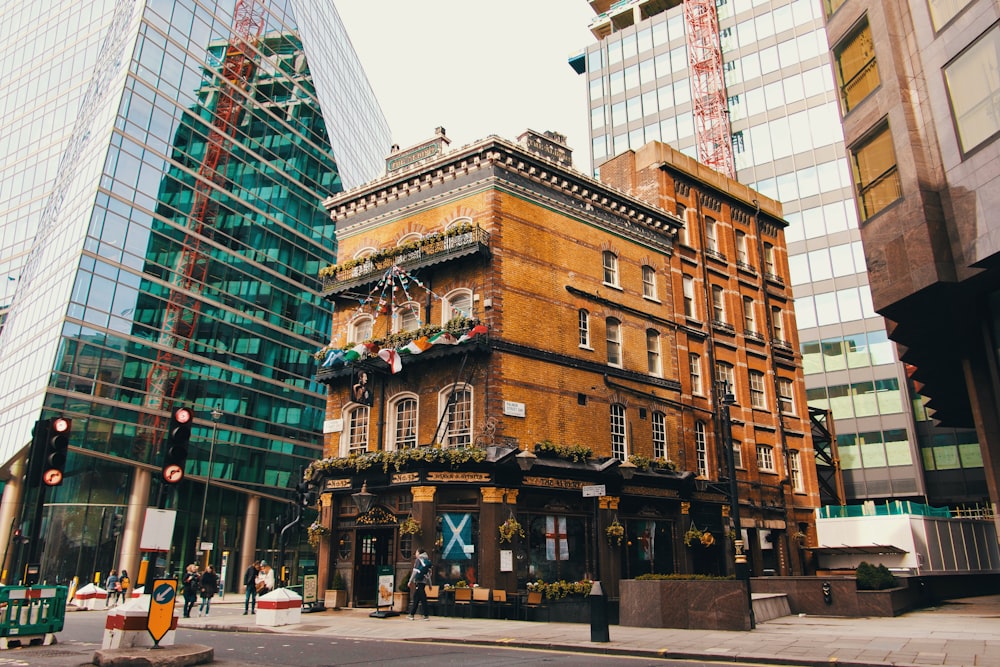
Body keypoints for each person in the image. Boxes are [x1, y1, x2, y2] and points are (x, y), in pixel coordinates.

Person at [407, 550, 433, 620]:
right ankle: (412, 614)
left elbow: (415, 571)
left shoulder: (418, 560)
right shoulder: (427, 560)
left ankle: (425, 615)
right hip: (423, 582)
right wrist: (430, 584)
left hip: (418, 581)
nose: (415, 553)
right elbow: (428, 574)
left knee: (423, 598)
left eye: (416, 552)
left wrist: (410, 581)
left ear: (419, 553)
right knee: (416, 598)